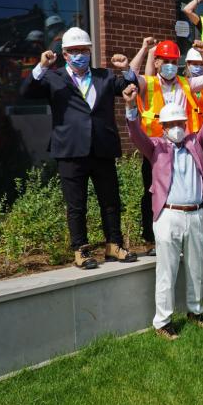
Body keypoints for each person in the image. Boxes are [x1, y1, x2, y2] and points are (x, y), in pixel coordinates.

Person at [20, 27, 136, 269]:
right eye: (73, 51)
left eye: (83, 50)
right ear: (64, 54)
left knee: (111, 200)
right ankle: (81, 250)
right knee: (76, 204)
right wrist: (42, 66)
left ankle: (114, 245)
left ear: (90, 51)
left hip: (102, 146)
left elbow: (129, 85)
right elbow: (26, 91)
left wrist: (126, 68)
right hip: (71, 149)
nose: (79, 54)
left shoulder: (104, 75)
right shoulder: (53, 77)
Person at [123, 79, 203, 339]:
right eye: (171, 125)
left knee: (196, 267)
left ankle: (195, 310)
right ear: (163, 127)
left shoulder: (194, 143)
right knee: (167, 270)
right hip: (168, 215)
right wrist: (131, 106)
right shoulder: (155, 147)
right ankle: (163, 322)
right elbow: (135, 134)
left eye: (180, 123)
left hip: (195, 213)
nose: (176, 128)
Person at [128, 40, 203, 251]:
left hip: (183, 146)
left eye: (174, 61)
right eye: (165, 61)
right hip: (155, 148)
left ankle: (187, 234)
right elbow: (129, 77)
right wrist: (143, 50)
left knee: (188, 188)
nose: (170, 65)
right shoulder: (148, 83)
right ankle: (152, 239)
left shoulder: (186, 83)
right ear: (156, 62)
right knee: (151, 190)